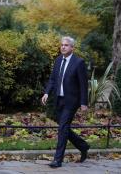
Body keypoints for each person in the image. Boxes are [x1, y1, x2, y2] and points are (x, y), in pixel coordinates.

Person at [41, 36, 90, 168]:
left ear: (72, 48)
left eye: (66, 45)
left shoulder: (79, 62)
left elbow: (83, 85)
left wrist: (84, 103)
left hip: (71, 101)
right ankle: (83, 146)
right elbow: (52, 79)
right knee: (64, 127)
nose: (63, 47)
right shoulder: (58, 60)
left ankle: (57, 160)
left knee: (62, 128)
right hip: (59, 99)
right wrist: (46, 93)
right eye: (62, 45)